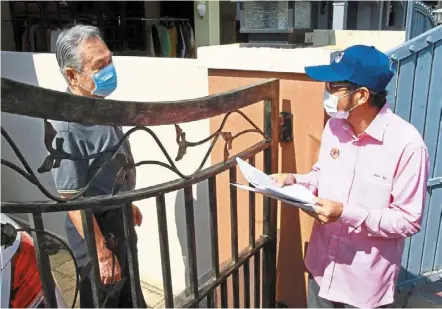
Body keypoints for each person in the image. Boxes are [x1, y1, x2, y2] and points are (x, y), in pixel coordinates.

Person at [272, 45, 429, 308]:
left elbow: (408, 220)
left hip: (364, 286)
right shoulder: (335, 126)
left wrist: (346, 213)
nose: (327, 92)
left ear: (362, 95)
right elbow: (322, 175)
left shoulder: (407, 144)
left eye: (334, 87)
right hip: (321, 271)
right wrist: (293, 181)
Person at [50, 24, 146, 308]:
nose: (109, 70)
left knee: (129, 296)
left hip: (118, 217)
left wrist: (126, 202)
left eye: (110, 60)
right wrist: (102, 252)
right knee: (103, 299)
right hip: (95, 228)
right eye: (99, 65)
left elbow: (109, 162)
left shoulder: (99, 104)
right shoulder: (66, 127)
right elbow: (72, 200)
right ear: (72, 75)